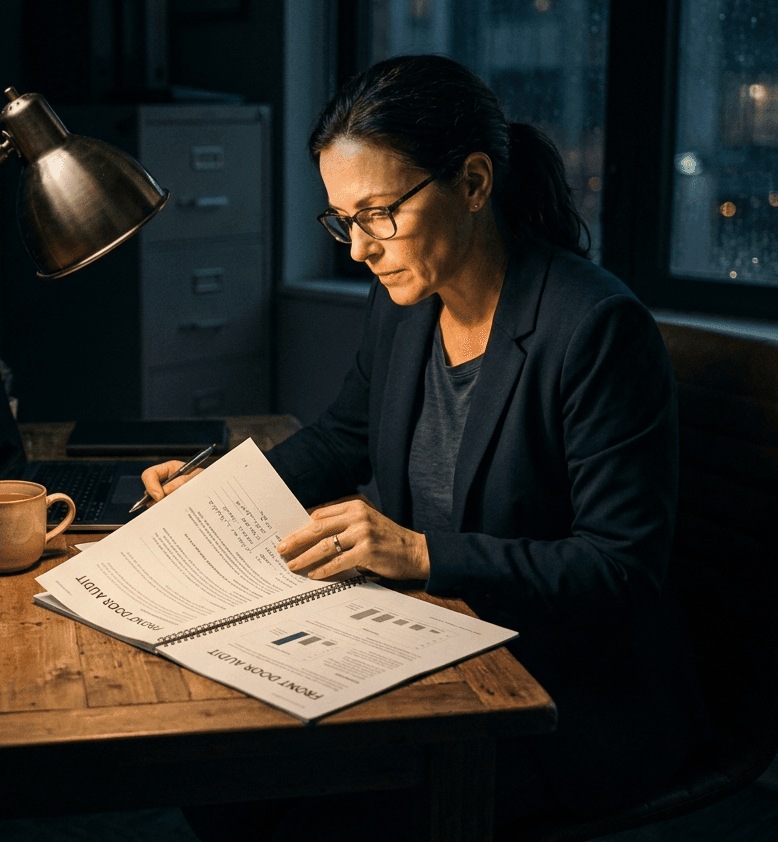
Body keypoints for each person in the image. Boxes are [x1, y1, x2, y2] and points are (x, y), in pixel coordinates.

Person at [140, 55, 709, 840]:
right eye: (343, 220)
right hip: (437, 647)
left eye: (378, 213)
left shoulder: (598, 329)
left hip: (567, 696)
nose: (359, 250)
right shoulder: (407, 302)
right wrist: (220, 492)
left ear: (474, 184)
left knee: (319, 830)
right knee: (223, 788)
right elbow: (346, 437)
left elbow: (620, 567)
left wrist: (419, 554)